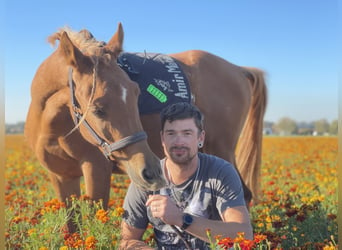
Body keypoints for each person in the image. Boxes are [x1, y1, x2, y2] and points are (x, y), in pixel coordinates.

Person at [120, 102, 253, 250]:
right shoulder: (148, 177)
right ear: (162, 139)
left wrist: (182, 219)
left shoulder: (220, 172)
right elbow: (126, 241)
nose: (178, 142)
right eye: (171, 134)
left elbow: (244, 234)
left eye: (187, 133)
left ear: (200, 138)